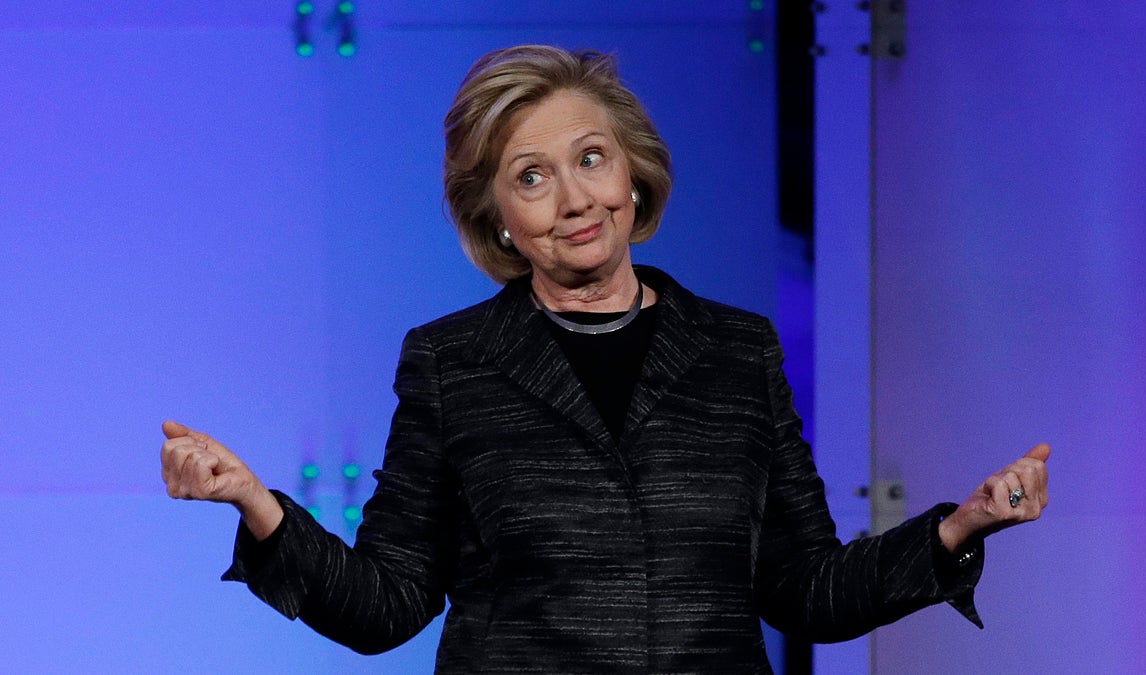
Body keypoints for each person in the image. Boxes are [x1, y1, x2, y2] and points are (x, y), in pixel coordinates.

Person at [160, 45, 1050, 673]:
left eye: (592, 159)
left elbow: (805, 587)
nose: (575, 197)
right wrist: (255, 503)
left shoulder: (739, 351)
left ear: (634, 174)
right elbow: (387, 603)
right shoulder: (451, 361)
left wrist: (956, 529)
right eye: (533, 175)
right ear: (499, 217)